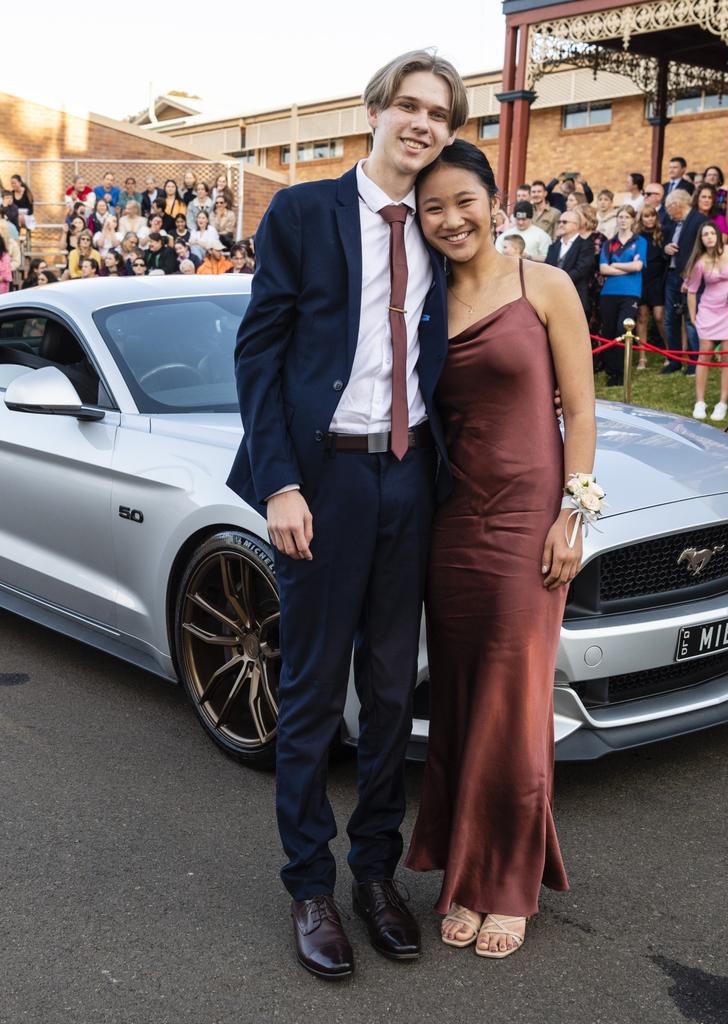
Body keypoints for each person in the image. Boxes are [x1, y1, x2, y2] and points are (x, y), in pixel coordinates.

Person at [227, 48, 469, 981]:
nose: (420, 124)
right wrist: (279, 483)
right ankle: (309, 884)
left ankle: (375, 874)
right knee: (315, 694)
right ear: (374, 112)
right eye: (407, 106)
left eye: (438, 115)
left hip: (409, 480)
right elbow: (260, 354)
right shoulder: (302, 212)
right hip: (323, 481)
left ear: (449, 132)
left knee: (393, 691)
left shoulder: (440, 232)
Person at [405, 139, 596, 957]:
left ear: (493, 200)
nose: (451, 220)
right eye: (432, 209)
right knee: (459, 698)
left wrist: (572, 516)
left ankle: (508, 881)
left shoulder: (545, 285)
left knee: (517, 704)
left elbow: (581, 416)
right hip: (453, 527)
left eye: (463, 202)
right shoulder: (422, 304)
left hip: (530, 526)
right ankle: (464, 866)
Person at [685, 223, 728, 421]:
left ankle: (722, 403)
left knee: (727, 356)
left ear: (718, 235)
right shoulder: (700, 262)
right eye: (705, 234)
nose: (709, 237)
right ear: (701, 239)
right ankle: (700, 401)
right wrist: (693, 316)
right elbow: (692, 291)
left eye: (712, 233)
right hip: (708, 309)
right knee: (704, 355)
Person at [598, 204, 647, 386]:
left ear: (633, 220)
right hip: (609, 292)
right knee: (609, 330)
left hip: (630, 292)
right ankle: (612, 372)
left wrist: (615, 266)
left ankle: (622, 371)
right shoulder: (608, 243)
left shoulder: (640, 241)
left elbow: (638, 266)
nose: (623, 220)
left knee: (622, 329)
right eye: (620, 217)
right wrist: (626, 267)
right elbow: (603, 268)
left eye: (627, 217)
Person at [662, 188, 707, 374]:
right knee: (669, 319)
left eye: (668, 207)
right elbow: (665, 245)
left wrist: (690, 276)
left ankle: (695, 362)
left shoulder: (699, 221)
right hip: (672, 275)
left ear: (676, 204)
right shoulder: (674, 224)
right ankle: (674, 360)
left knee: (690, 319)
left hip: (690, 277)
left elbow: (703, 252)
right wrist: (666, 248)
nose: (668, 211)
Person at [545, 207, 595, 315]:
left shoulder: (586, 245)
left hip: (575, 297)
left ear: (576, 225)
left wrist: (559, 282)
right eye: (559, 222)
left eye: (565, 222)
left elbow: (581, 270)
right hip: (552, 298)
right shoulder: (553, 246)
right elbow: (547, 269)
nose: (561, 224)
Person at [635, 204, 668, 370]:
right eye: (646, 216)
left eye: (652, 216)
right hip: (641, 278)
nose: (649, 219)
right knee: (641, 317)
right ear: (641, 219)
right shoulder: (637, 237)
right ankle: (642, 357)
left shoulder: (662, 234)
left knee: (659, 316)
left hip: (658, 280)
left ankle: (669, 352)